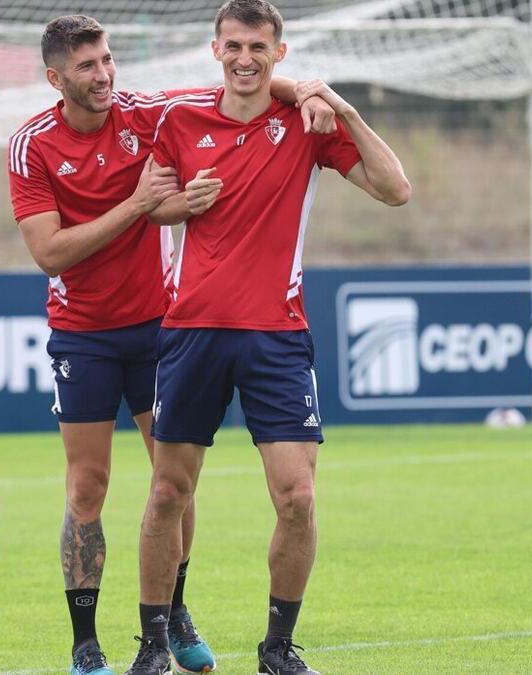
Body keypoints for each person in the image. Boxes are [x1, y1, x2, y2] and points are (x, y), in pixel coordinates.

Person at [8, 14, 339, 675]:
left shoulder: (148, 115)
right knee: (87, 487)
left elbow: (243, 83)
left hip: (163, 327)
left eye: (107, 60)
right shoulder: (31, 146)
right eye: (86, 66)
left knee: (173, 486)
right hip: (84, 333)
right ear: (55, 78)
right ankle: (85, 643)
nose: (103, 75)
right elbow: (49, 252)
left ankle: (172, 613)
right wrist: (138, 204)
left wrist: (306, 89)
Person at [124, 1, 411, 674]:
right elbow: (151, 202)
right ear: (215, 49)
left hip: (276, 336)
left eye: (258, 46)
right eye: (233, 45)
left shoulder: (310, 123)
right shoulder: (179, 117)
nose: (244, 58)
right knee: (168, 492)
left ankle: (278, 648)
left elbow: (396, 189)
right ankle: (152, 644)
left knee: (297, 498)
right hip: (191, 331)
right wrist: (180, 204)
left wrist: (335, 102)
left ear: (279, 52)